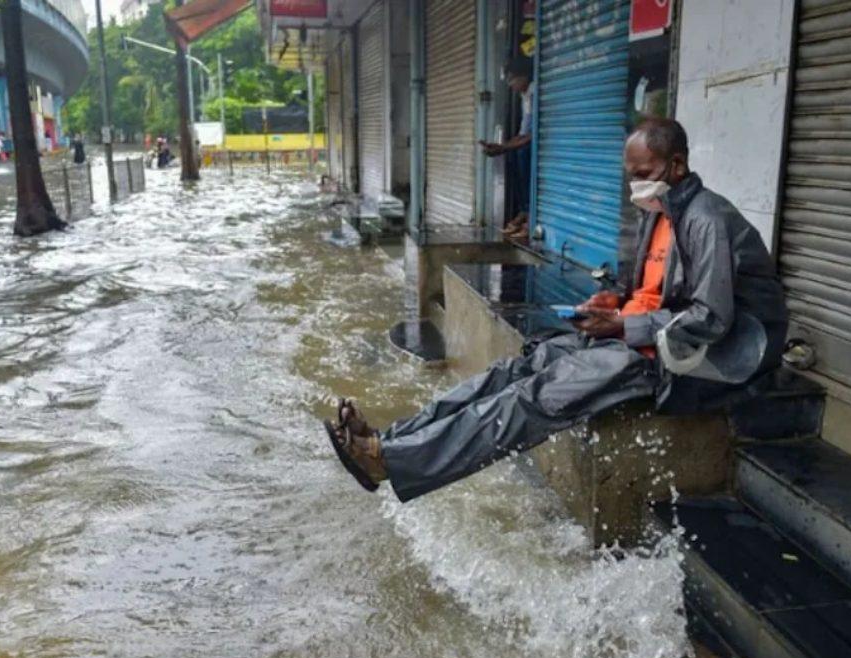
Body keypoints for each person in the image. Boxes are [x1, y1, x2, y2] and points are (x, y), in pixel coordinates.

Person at [325, 118, 789, 502]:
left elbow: (710, 318)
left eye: (643, 171)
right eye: (629, 173)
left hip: (695, 359)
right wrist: (614, 303)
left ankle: (389, 463)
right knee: (513, 371)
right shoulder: (658, 212)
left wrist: (628, 325)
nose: (634, 183)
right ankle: (390, 440)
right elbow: (648, 291)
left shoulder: (706, 219)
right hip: (644, 335)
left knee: (535, 397)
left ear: (677, 165)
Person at [480, 55, 535, 243]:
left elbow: (534, 135)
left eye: (512, 78)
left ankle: (530, 219)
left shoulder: (536, 94)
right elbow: (524, 132)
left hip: (532, 149)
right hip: (524, 146)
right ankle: (525, 213)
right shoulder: (525, 96)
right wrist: (503, 147)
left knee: (530, 180)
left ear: (525, 76)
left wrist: (503, 147)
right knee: (518, 167)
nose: (510, 84)